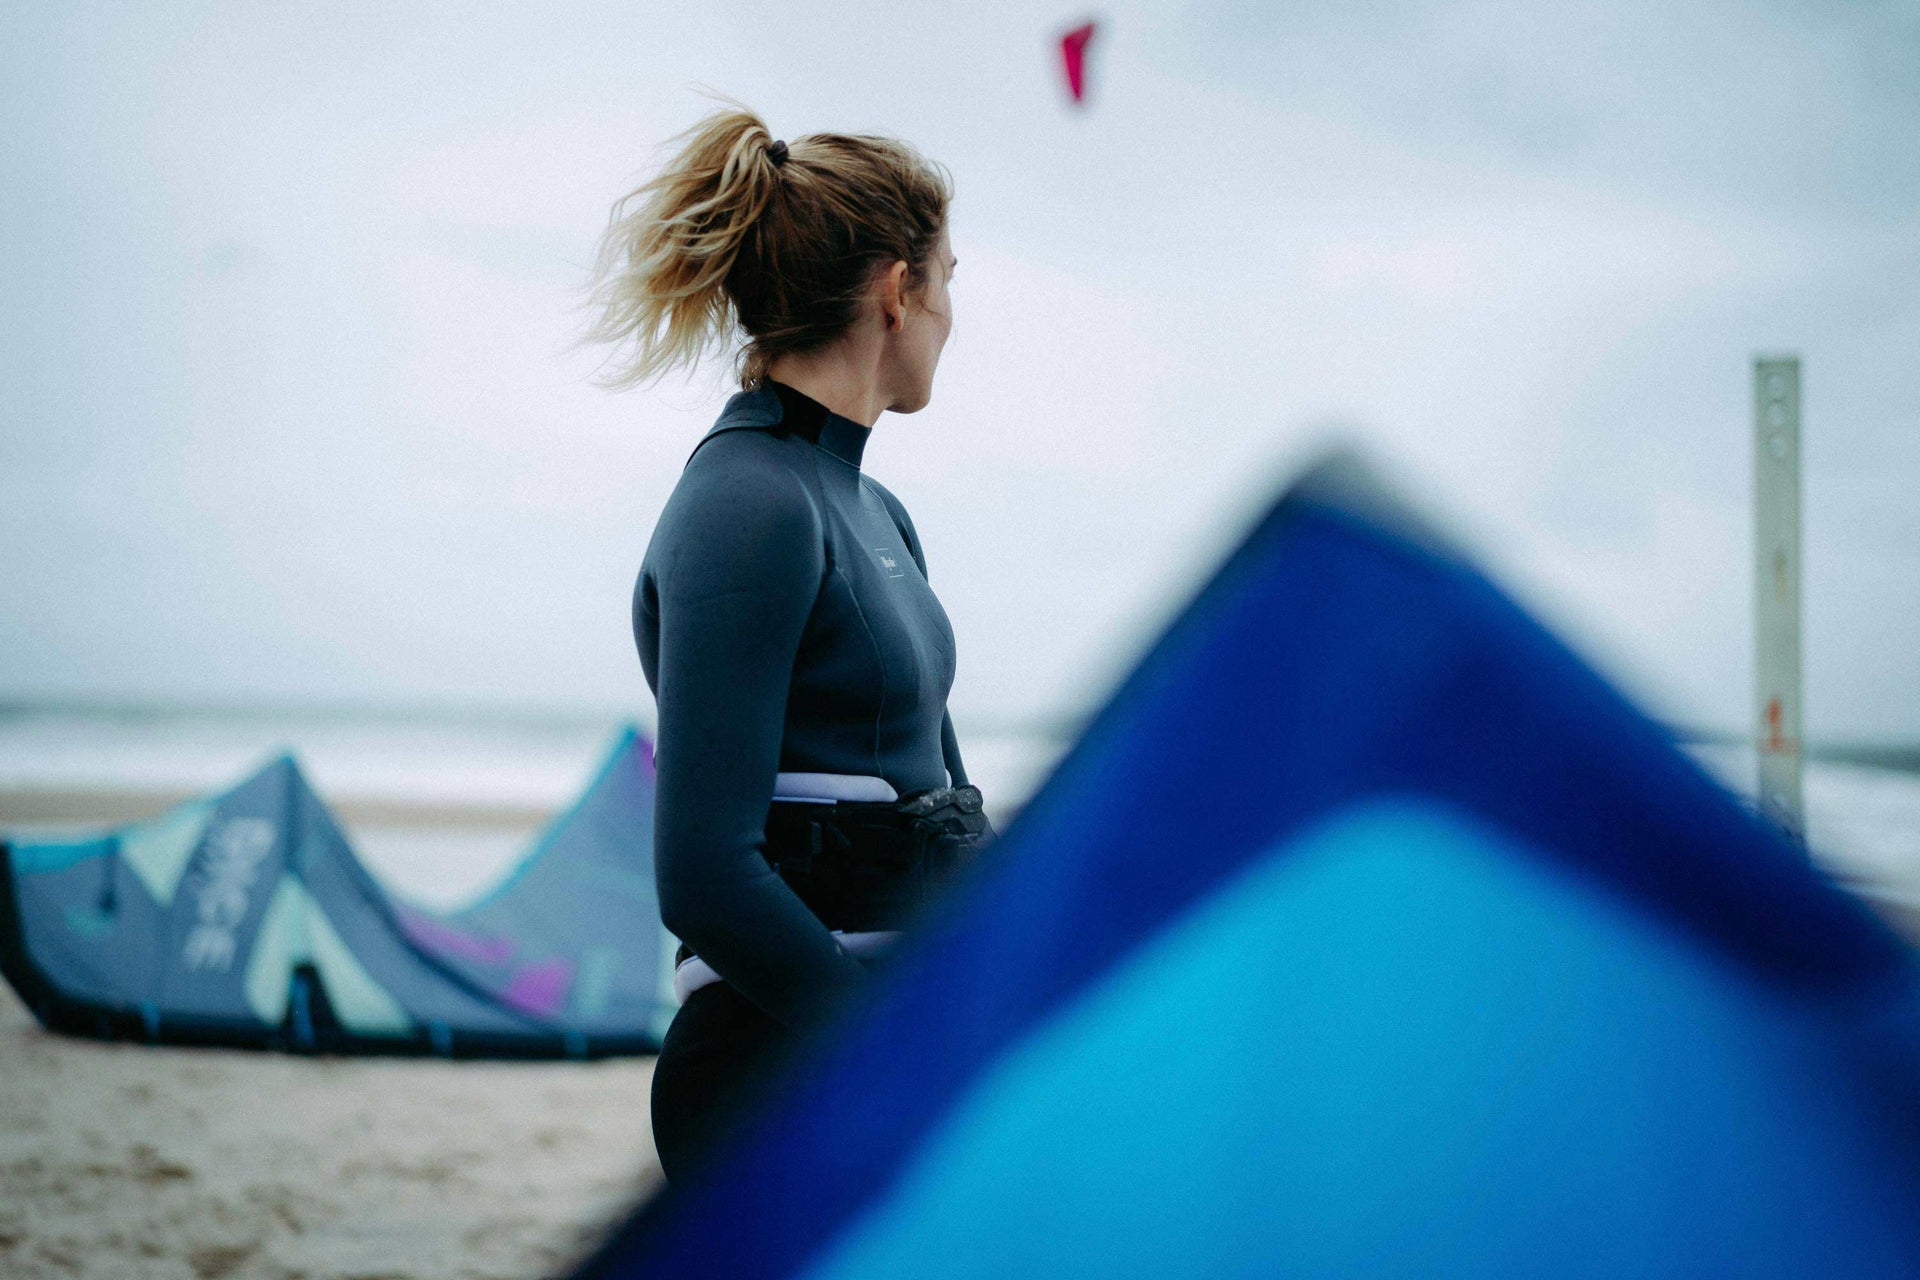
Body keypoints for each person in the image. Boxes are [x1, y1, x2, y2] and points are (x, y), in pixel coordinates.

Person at [585, 103, 990, 1184]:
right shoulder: (748, 503)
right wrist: (883, 1053)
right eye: (948, 279)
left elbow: (944, 807)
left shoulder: (875, 510)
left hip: (876, 1048)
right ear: (896, 291)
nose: (954, 314)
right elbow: (705, 875)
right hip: (776, 1066)